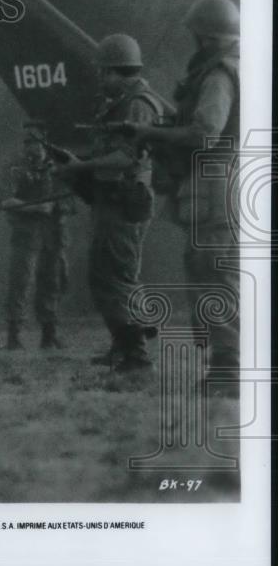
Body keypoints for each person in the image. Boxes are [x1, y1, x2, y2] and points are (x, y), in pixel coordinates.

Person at [119, 0, 240, 396]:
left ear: (205, 35)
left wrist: (151, 133)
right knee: (211, 271)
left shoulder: (218, 74)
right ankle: (226, 365)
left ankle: (228, 372)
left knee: (212, 274)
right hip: (222, 179)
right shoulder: (235, 66)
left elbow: (206, 133)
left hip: (214, 180)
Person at [55, 34, 165, 373]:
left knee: (114, 276)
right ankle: (125, 343)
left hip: (124, 200)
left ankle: (136, 352)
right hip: (112, 200)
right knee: (110, 274)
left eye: (105, 73)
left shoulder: (138, 105)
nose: (101, 79)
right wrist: (79, 163)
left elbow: (125, 157)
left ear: (120, 71)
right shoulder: (121, 102)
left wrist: (80, 167)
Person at [0, 123, 73, 350]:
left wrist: (58, 206)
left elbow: (70, 200)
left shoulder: (58, 168)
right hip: (26, 232)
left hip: (54, 233)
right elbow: (4, 200)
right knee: (20, 282)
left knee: (53, 282)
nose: (32, 146)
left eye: (37, 141)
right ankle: (14, 336)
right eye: (28, 141)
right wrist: (35, 208)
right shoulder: (15, 168)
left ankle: (49, 335)